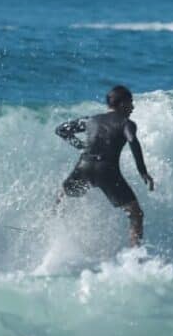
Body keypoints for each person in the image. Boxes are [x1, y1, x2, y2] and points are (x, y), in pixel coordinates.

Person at [55, 85, 154, 246]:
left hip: (84, 166)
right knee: (136, 214)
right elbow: (132, 141)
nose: (133, 107)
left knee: (62, 195)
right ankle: (135, 253)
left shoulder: (91, 120)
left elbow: (61, 130)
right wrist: (142, 171)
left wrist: (81, 147)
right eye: (130, 103)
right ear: (122, 104)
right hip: (107, 171)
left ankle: (51, 229)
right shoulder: (126, 123)